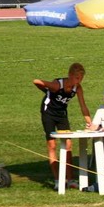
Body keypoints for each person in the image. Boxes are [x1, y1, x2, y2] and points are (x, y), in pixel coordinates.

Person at [33, 62, 92, 191]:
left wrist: (90, 122)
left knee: (68, 144)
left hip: (61, 115)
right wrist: (47, 90)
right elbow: (36, 81)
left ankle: (70, 180)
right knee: (52, 145)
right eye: (77, 78)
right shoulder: (57, 85)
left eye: (81, 78)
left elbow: (83, 106)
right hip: (48, 113)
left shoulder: (77, 88)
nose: (79, 81)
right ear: (70, 75)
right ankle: (57, 180)